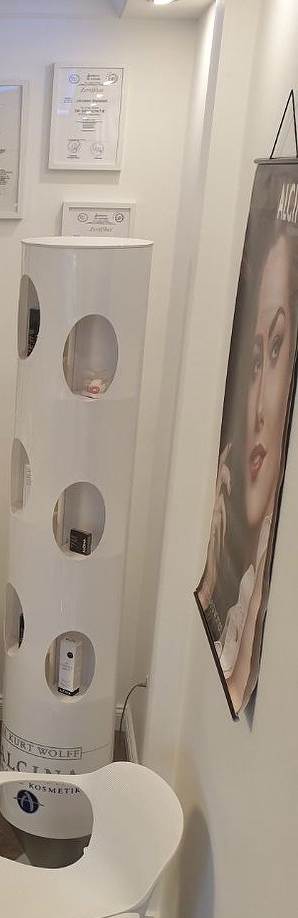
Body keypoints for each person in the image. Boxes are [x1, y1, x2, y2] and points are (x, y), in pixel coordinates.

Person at [196, 217, 298, 714]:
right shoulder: (234, 574)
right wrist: (215, 575)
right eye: (254, 361)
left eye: (277, 349)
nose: (256, 407)